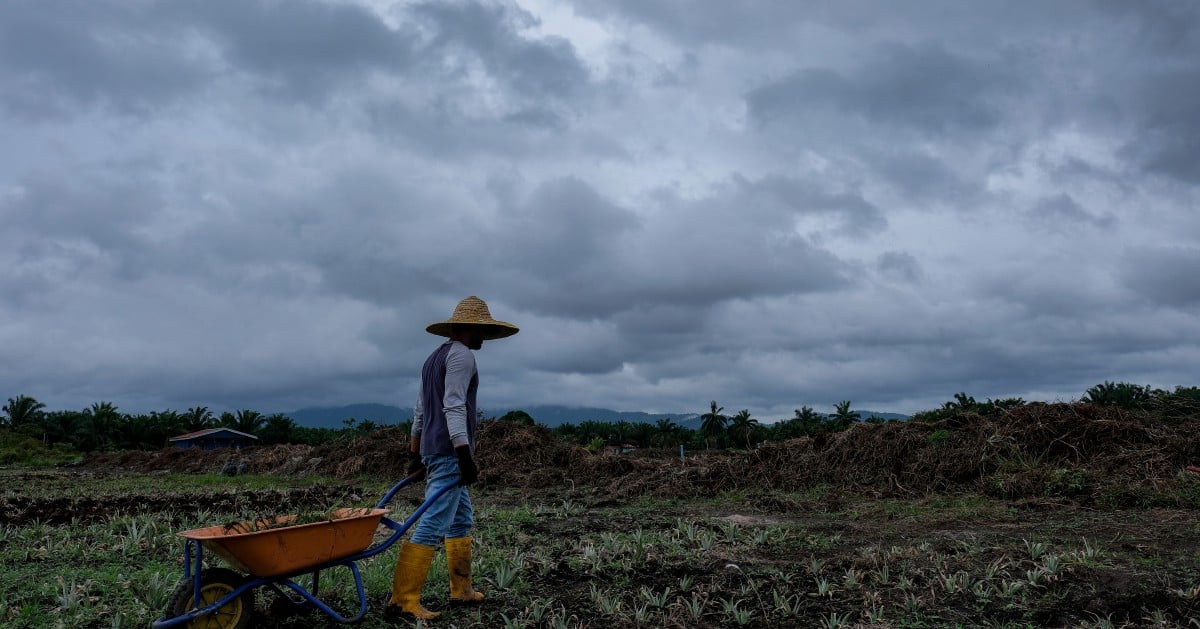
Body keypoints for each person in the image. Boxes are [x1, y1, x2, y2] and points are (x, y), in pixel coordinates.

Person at [386, 296, 519, 621]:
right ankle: (403, 601)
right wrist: (465, 457)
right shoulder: (461, 357)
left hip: (434, 449)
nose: (483, 338)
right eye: (479, 331)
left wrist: (414, 455)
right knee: (433, 521)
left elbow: (419, 411)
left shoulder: (434, 358)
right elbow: (454, 405)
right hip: (449, 451)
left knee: (460, 519)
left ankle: (461, 590)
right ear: (464, 328)